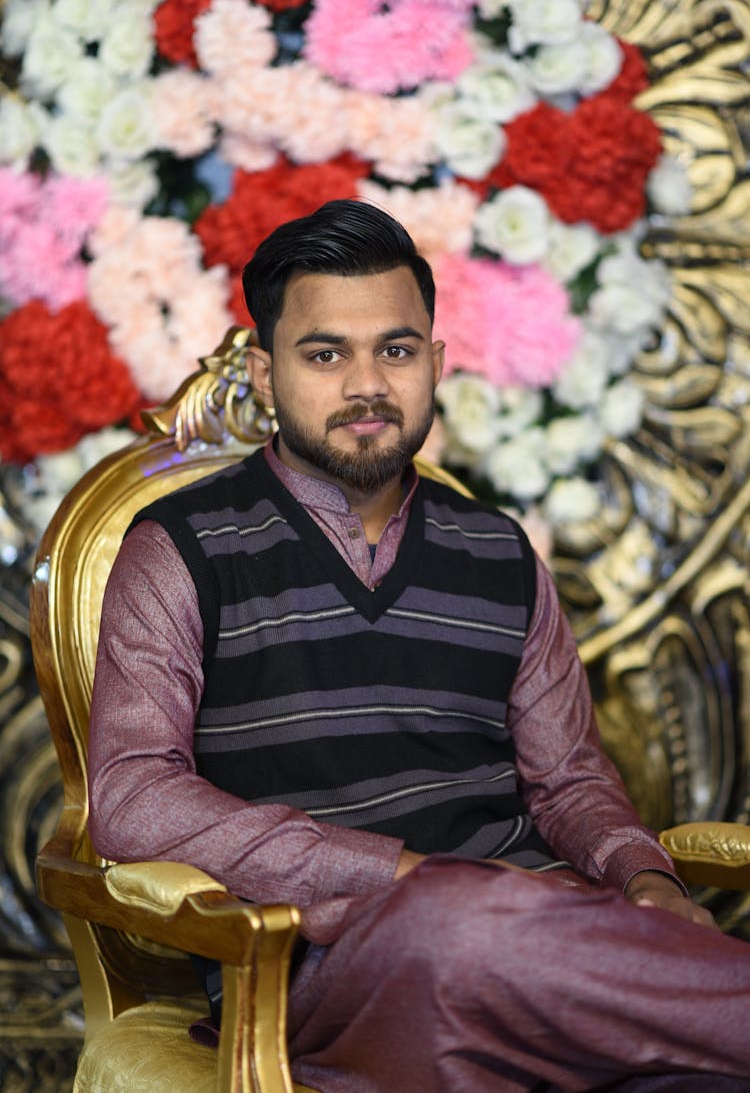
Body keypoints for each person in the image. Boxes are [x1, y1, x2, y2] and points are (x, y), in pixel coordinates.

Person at [88, 199, 750, 1092]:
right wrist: (397, 876)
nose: (367, 384)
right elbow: (132, 798)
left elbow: (571, 782)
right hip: (336, 969)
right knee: (452, 921)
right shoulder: (180, 548)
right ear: (265, 371)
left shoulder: (501, 551)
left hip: (547, 944)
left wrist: (647, 881)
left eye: (395, 350)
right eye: (326, 354)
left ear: (435, 363)